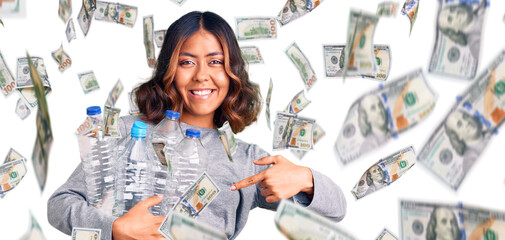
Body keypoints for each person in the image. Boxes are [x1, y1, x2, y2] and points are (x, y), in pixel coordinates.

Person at [47, 11, 346, 240]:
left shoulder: (245, 161)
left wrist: (306, 178)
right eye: (187, 62)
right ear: (169, 69)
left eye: (215, 62)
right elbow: (60, 204)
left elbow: (337, 209)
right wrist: (113, 229)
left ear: (232, 73)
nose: (202, 75)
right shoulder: (129, 132)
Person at [444, 109, 488, 175]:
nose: (466, 123)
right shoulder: (470, 161)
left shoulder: (491, 132)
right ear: (458, 136)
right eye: (460, 125)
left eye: (465, 117)